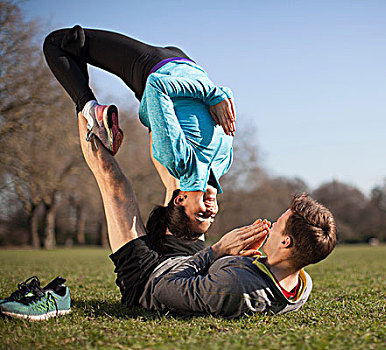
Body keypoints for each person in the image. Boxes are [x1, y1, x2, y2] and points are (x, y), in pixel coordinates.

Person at [76, 114, 337, 318]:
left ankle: (83, 102)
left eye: (278, 225)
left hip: (148, 278)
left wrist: (219, 249)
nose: (270, 225)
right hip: (187, 261)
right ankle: (151, 109)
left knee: (115, 184)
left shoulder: (235, 287)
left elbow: (163, 288)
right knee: (180, 184)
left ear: (286, 242)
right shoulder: (301, 284)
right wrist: (238, 255)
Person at [43, 26, 236, 236]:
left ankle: (91, 109)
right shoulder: (223, 164)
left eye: (201, 215)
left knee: (58, 42)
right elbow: (225, 98)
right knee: (71, 48)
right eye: (211, 217)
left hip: (153, 66)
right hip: (187, 63)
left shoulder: (179, 160)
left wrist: (211, 94)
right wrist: (216, 94)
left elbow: (157, 86)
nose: (211, 210)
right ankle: (92, 111)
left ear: (180, 199)